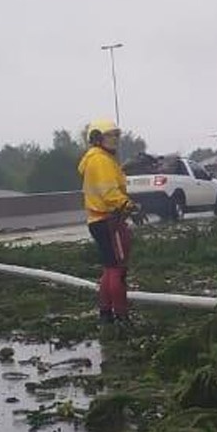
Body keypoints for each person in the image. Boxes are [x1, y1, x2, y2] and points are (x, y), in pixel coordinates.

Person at [78, 118, 136, 322]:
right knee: (117, 270)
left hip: (99, 220)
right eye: (110, 135)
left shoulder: (99, 158)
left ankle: (105, 313)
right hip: (108, 221)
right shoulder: (101, 160)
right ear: (97, 138)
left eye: (117, 135)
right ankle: (121, 316)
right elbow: (108, 192)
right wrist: (129, 206)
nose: (115, 140)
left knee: (109, 267)